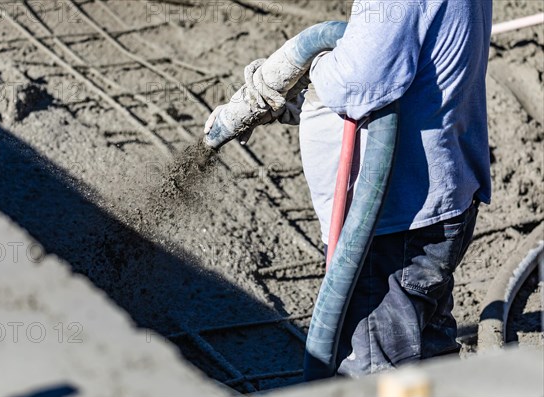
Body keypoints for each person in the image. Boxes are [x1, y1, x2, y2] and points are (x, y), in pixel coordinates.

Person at [206, 0, 492, 377]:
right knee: (426, 354)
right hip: (436, 199)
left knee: (373, 370)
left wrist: (307, 66)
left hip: (394, 218)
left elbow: (361, 81)